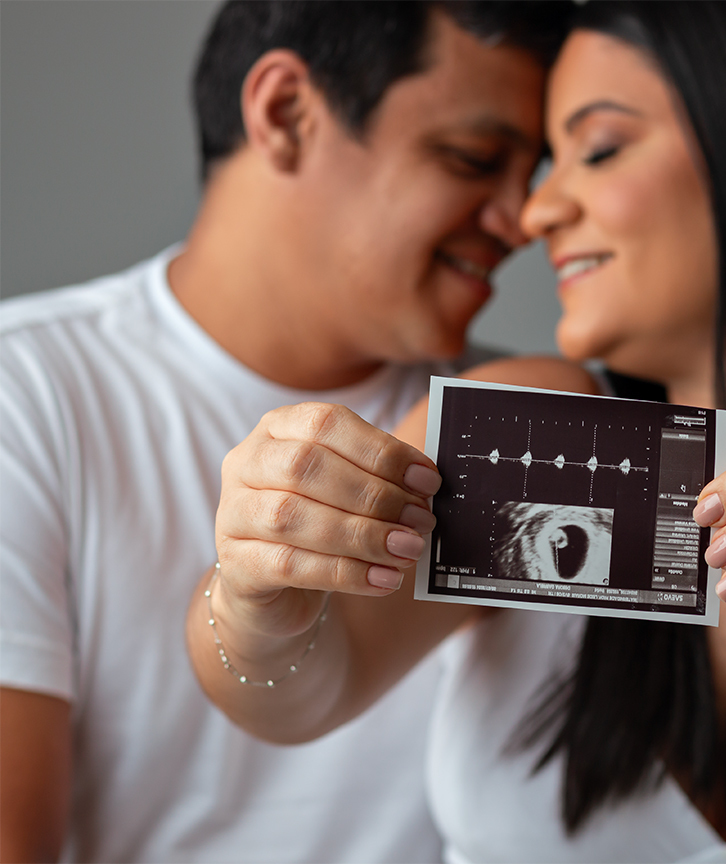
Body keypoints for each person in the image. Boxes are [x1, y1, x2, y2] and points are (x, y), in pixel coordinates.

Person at [186, 2, 726, 862]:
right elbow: (302, 694)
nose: (536, 212)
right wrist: (257, 602)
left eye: (601, 148)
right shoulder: (531, 426)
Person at [0, 1, 572, 860]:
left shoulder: (522, 429)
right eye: (473, 158)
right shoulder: (26, 393)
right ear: (286, 113)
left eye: (533, 173)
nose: (523, 220)